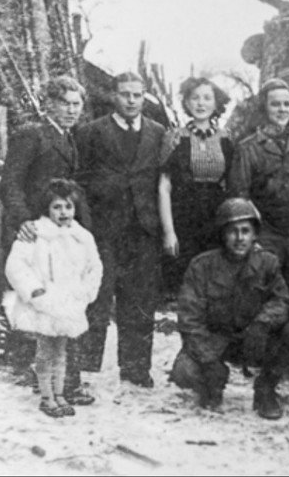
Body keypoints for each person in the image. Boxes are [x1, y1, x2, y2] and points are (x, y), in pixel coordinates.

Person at [0, 75, 92, 401]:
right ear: (49, 103)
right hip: (32, 233)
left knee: (59, 304)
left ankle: (61, 380)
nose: (71, 110)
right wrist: (23, 222)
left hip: (57, 234)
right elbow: (9, 183)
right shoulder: (32, 135)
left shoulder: (69, 139)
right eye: (64, 103)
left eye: (76, 104)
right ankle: (41, 379)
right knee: (37, 304)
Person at [75, 72, 166, 388]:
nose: (131, 100)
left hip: (142, 228)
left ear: (144, 97)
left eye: (137, 95)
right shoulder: (91, 133)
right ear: (113, 96)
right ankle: (86, 365)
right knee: (97, 295)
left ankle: (136, 367)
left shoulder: (157, 133)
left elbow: (162, 183)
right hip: (104, 228)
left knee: (141, 299)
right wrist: (86, 225)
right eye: (125, 94)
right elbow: (80, 182)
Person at [170, 198, 289, 419]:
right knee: (184, 371)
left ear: (255, 234)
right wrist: (209, 360)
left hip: (252, 339)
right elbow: (189, 319)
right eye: (233, 231)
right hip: (215, 340)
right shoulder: (201, 267)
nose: (240, 238)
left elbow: (282, 301)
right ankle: (212, 388)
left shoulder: (267, 264)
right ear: (222, 234)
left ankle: (265, 391)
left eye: (246, 231)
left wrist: (262, 323)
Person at [3, 179, 102, 417]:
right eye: (57, 207)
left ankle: (59, 394)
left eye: (68, 207)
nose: (63, 212)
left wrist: (86, 292)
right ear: (47, 209)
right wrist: (34, 290)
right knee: (46, 350)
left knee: (62, 350)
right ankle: (47, 396)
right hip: (44, 302)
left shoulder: (82, 237)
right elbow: (15, 265)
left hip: (69, 303)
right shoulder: (36, 233)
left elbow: (94, 267)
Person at [228, 78, 289, 327]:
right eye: (275, 104)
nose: (282, 109)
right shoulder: (248, 148)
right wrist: (253, 239)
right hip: (267, 237)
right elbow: (240, 198)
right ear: (264, 108)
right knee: (266, 301)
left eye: (286, 104)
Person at [158, 77, 233, 293]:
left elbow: (232, 183)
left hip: (215, 217)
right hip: (184, 216)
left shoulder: (226, 139)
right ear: (187, 103)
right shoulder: (174, 138)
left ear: (216, 103)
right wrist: (169, 232)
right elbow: (164, 187)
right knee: (186, 284)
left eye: (207, 98)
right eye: (195, 98)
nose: (201, 103)